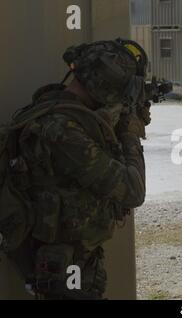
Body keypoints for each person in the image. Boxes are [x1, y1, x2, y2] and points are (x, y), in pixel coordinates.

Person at [7, 39, 151, 299]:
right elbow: (132, 191)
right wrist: (130, 133)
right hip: (65, 270)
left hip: (75, 261)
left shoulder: (62, 116)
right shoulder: (63, 131)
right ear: (105, 89)